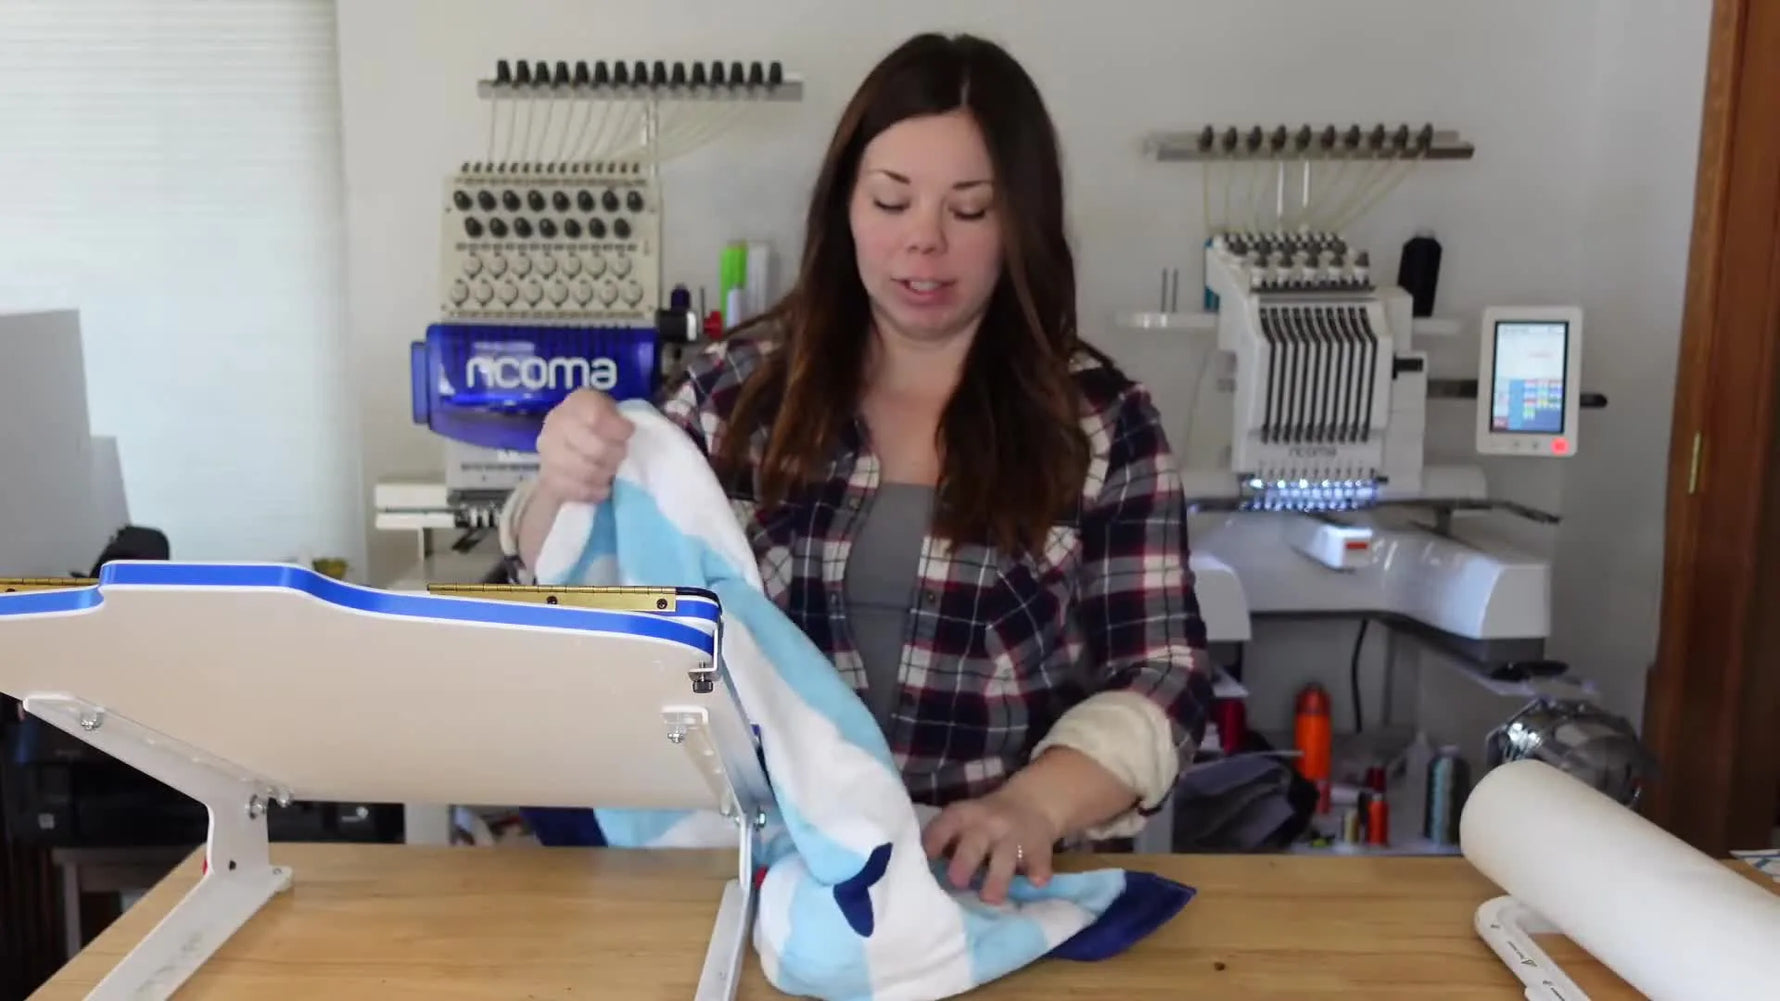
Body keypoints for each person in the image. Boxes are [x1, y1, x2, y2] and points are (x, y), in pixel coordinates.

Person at [498, 31, 1213, 905]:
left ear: (1022, 220)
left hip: (982, 892)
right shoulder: (736, 397)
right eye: (892, 200)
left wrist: (1030, 804)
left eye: (970, 209)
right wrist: (563, 480)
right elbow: (567, 575)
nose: (924, 242)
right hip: (751, 888)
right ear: (845, 206)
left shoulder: (1101, 426)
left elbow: (1163, 674)